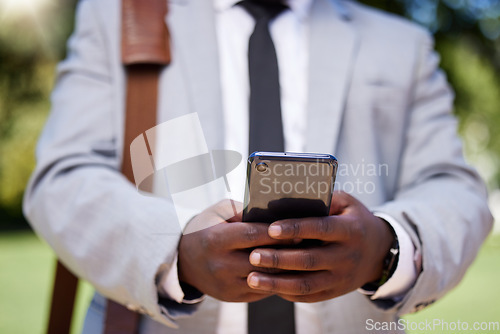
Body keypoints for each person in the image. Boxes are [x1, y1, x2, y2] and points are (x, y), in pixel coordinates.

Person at [24, 0, 493, 333]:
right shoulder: (116, 16)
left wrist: (387, 248)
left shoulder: (401, 44)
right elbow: (63, 177)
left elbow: (453, 187)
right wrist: (174, 255)